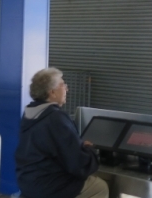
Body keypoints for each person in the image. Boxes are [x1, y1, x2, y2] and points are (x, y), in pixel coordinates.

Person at [15, 67, 108, 198]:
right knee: (99, 186)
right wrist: (91, 151)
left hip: (28, 183)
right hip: (50, 187)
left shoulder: (30, 115)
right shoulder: (56, 118)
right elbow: (78, 164)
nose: (66, 89)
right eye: (63, 85)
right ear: (52, 92)